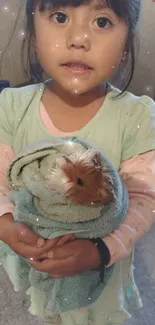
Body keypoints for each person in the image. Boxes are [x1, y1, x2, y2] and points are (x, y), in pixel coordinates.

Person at [0, 0, 155, 324]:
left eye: (101, 22)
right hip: (40, 263)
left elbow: (144, 197)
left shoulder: (137, 116)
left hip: (101, 274)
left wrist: (102, 249)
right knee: (51, 312)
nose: (79, 38)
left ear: (126, 44)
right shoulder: (11, 107)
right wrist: (5, 222)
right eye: (60, 17)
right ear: (33, 26)